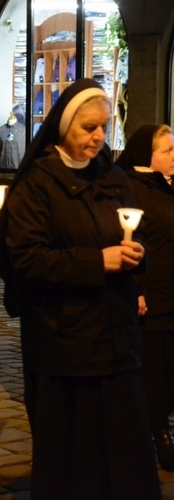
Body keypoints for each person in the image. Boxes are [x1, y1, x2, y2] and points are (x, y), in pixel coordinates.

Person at [0, 79, 161, 499]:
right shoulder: (36, 185)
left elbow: (142, 239)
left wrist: (139, 257)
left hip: (117, 341)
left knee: (125, 456)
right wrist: (96, 262)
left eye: (103, 127)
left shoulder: (114, 177)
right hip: (65, 343)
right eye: (88, 127)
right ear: (65, 126)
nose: (98, 136)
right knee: (76, 461)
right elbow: (26, 260)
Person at [116, 124, 174, 471]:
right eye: (167, 150)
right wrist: (137, 288)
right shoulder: (132, 188)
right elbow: (130, 238)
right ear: (146, 156)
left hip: (172, 290)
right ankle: (158, 432)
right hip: (153, 294)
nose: (173, 155)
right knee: (155, 369)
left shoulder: (167, 187)